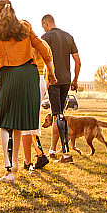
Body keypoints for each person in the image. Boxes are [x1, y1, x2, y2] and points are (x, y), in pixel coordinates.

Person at [0, 0, 56, 183]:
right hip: (29, 75)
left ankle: (9, 171)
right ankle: (15, 162)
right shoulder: (24, 27)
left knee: (5, 122)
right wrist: (51, 72)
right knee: (17, 120)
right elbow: (42, 47)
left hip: (8, 74)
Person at [41, 14, 80, 163]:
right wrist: (75, 80)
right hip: (66, 80)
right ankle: (52, 150)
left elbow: (40, 60)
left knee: (58, 115)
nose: (43, 29)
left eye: (43, 26)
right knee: (59, 115)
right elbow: (78, 61)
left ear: (46, 23)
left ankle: (66, 154)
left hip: (53, 80)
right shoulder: (68, 37)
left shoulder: (45, 38)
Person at [20, 40, 52, 171]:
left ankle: (28, 161)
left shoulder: (26, 43)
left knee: (25, 124)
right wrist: (46, 84)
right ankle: (40, 154)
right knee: (32, 121)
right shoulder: (44, 44)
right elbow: (50, 65)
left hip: (29, 80)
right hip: (41, 80)